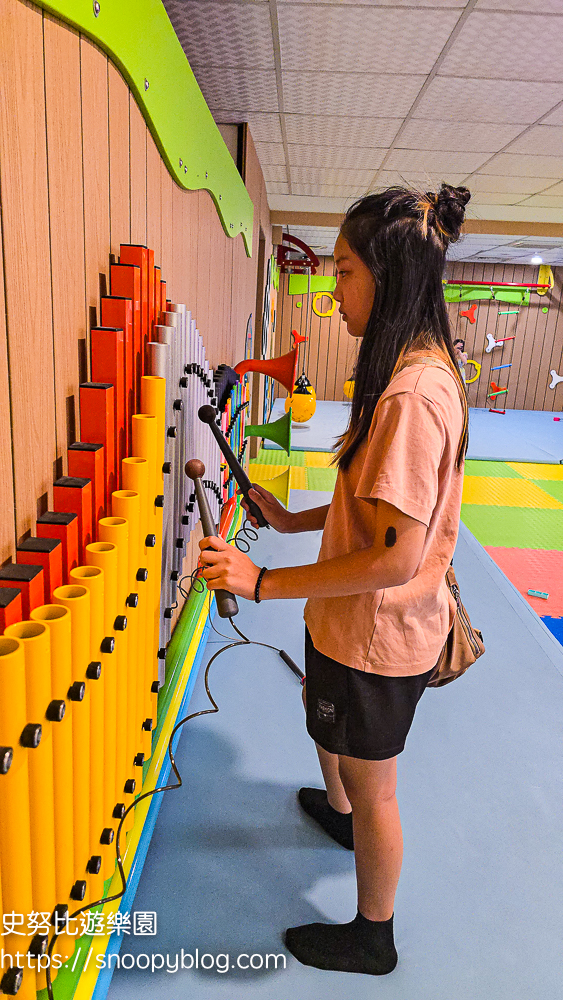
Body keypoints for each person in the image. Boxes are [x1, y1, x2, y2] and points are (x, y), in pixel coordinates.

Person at [198, 183, 471, 976]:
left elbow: (396, 554)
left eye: (344, 271)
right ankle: (339, 809)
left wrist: (257, 581)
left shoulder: (415, 394)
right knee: (337, 747)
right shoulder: (398, 372)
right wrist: (288, 523)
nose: (333, 291)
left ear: (386, 276)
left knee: (375, 785)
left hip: (379, 636)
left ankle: (371, 935)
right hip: (346, 623)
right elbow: (371, 507)